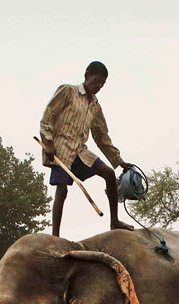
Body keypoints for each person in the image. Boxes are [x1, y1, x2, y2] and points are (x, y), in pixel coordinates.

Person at [39, 61, 133, 236]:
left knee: (109, 174)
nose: (99, 86)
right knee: (62, 190)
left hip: (80, 152)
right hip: (61, 150)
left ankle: (114, 221)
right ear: (87, 75)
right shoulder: (68, 91)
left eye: (103, 84)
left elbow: (102, 137)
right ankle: (55, 236)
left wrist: (119, 161)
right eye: (97, 81)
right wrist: (49, 142)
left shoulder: (95, 106)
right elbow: (47, 117)